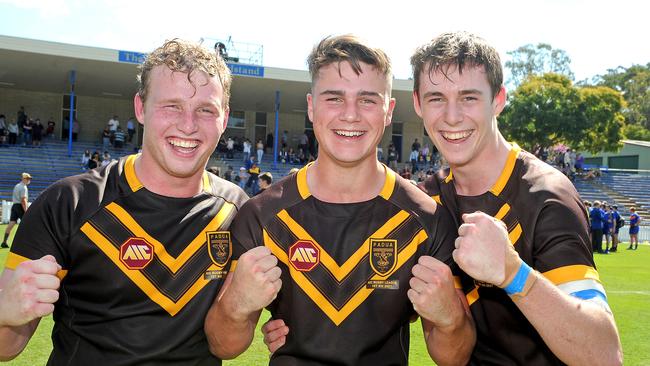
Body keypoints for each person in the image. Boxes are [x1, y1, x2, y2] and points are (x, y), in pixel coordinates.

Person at [205, 34, 474, 366]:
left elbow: (455, 358)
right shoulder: (260, 215)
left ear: (389, 110)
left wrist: (450, 319)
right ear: (311, 105)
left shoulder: (429, 220)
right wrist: (236, 305)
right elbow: (223, 347)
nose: (351, 115)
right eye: (334, 98)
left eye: (367, 100)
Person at [0, 39, 248, 365]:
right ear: (140, 107)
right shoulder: (69, 202)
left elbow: (228, 344)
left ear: (225, 118)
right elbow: (7, 347)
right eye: (171, 106)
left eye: (205, 110)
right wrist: (5, 311)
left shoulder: (238, 210)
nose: (188, 125)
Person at [408, 31, 621, 365]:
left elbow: (605, 355)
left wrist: (513, 274)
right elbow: (451, 358)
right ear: (418, 103)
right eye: (436, 98)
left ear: (498, 100)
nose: (451, 116)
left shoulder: (547, 195)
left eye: (469, 98)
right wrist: (448, 321)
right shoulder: (427, 202)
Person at [1, 173, 32, 249]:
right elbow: (23, 200)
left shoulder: (17, 186)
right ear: (24, 179)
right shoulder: (23, 187)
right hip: (20, 206)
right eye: (28, 179)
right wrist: (26, 210)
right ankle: (25, 242)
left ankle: (4, 241)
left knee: (11, 223)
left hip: (15, 205)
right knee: (26, 224)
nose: (29, 180)